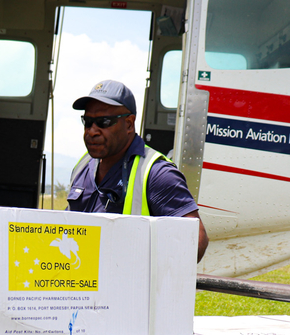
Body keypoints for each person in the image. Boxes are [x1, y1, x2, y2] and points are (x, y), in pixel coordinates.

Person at [68, 80, 209, 262]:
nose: (92, 131)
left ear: (129, 123)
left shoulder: (156, 174)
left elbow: (196, 240)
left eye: (103, 122)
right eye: (87, 122)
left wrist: (147, 276)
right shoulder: (83, 166)